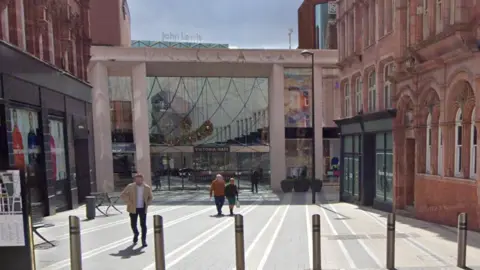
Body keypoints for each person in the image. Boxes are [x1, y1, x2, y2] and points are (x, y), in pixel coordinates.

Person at [120, 173, 153, 247]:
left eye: (140, 180)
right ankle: (136, 233)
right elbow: (123, 195)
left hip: (143, 208)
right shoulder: (130, 186)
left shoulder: (147, 188)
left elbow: (150, 197)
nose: (138, 181)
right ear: (134, 180)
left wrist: (148, 203)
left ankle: (143, 240)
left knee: (143, 225)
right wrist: (128, 202)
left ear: (142, 180)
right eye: (136, 179)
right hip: (133, 208)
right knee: (133, 224)